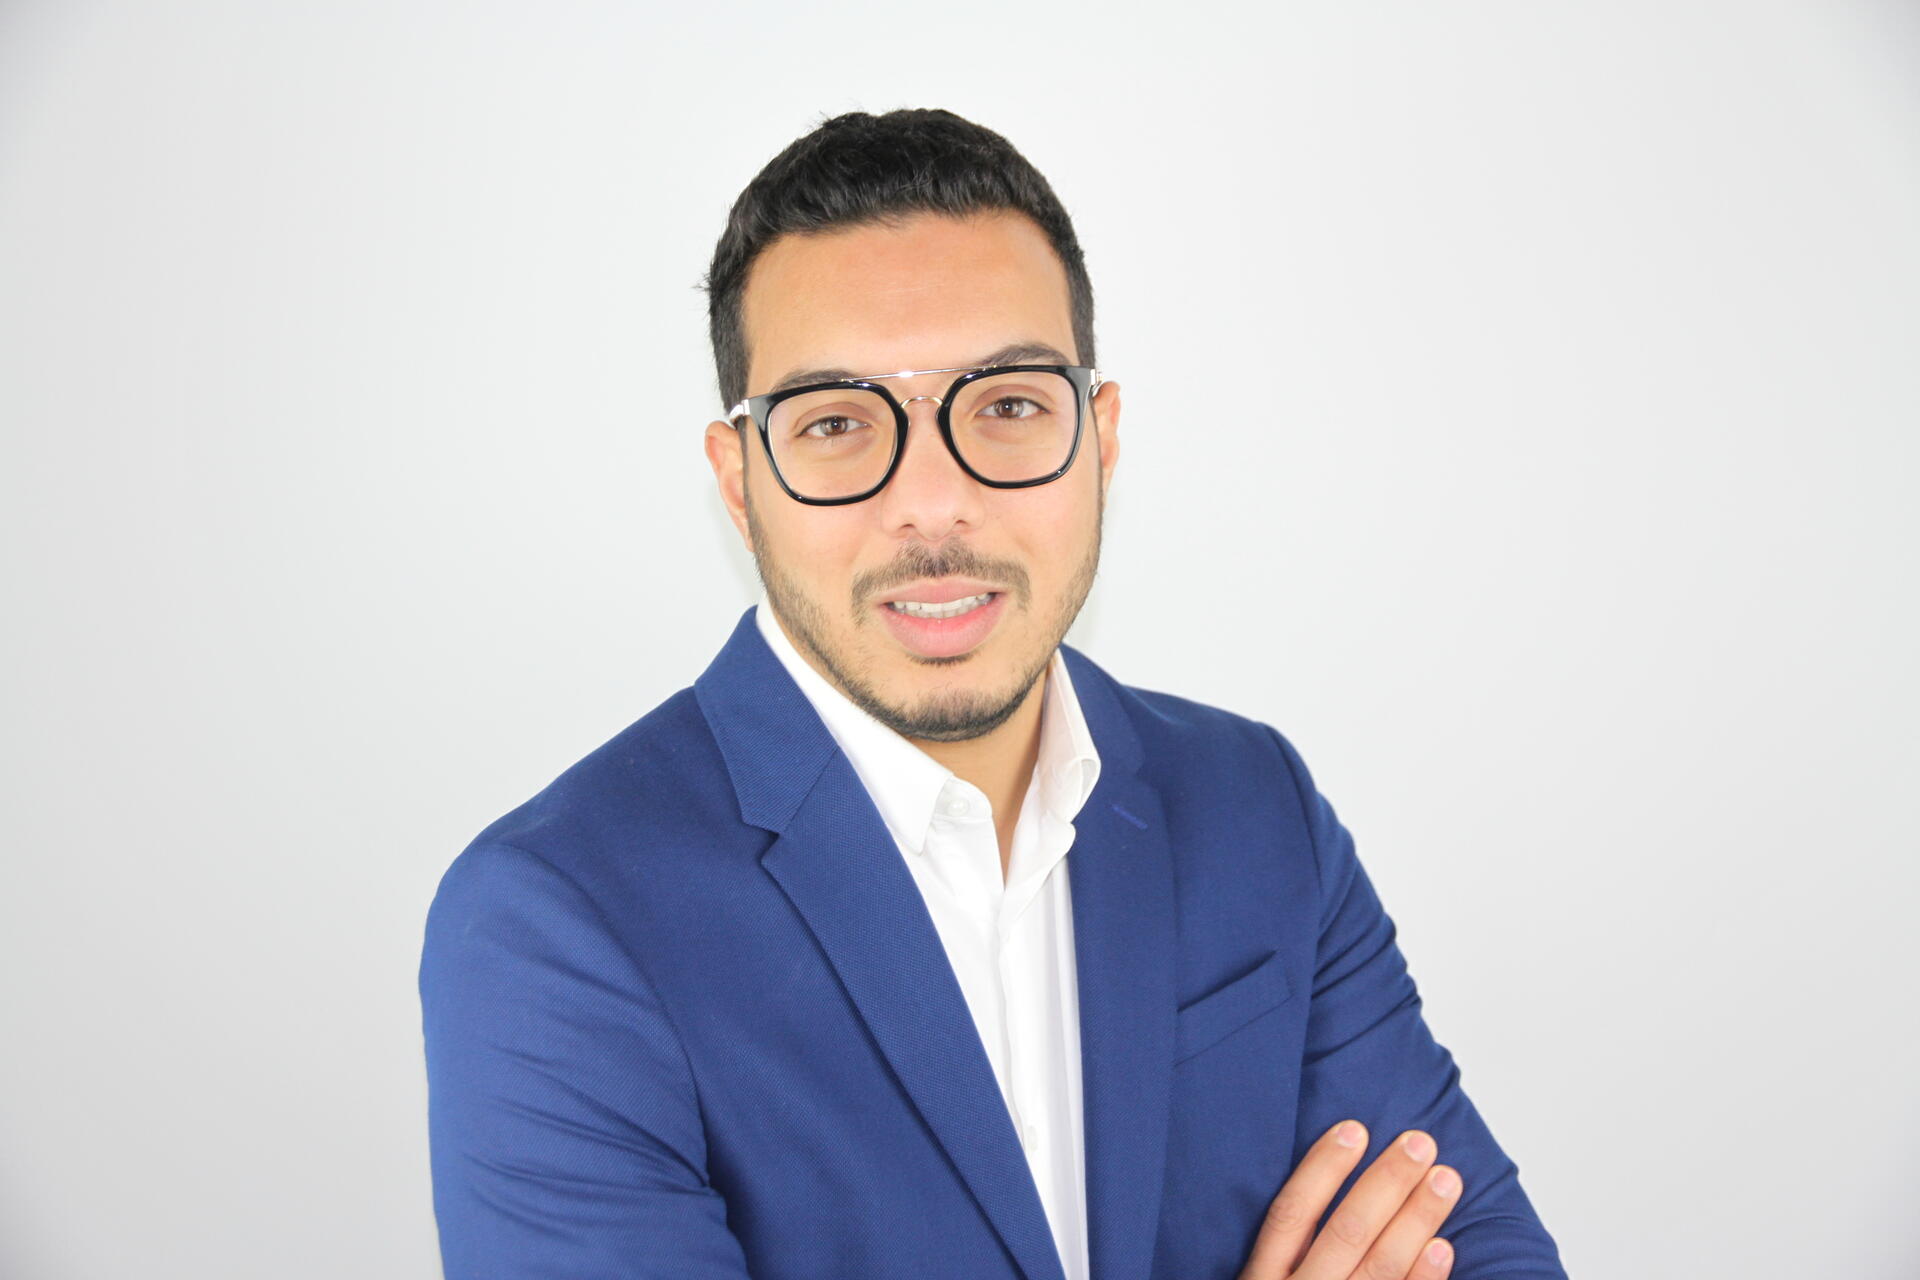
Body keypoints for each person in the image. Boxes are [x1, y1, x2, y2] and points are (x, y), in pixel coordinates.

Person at [418, 107, 1568, 1280]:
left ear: (1099, 438)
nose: (933, 502)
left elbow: (1487, 1253)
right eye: (836, 422)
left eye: (1008, 405)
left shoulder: (1253, 804)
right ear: (739, 481)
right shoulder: (554, 923)